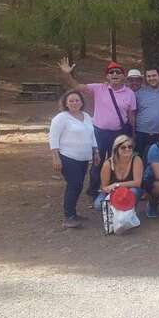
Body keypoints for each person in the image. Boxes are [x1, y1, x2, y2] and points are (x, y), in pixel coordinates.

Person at [58, 57, 136, 200]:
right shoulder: (99, 88)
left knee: (118, 161)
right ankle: (93, 190)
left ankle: (115, 188)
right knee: (97, 162)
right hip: (99, 132)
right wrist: (67, 74)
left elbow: (131, 116)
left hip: (119, 133)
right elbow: (77, 87)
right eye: (111, 72)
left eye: (118, 72)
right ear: (107, 76)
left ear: (123, 76)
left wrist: (132, 135)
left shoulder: (130, 93)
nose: (114, 75)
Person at [50, 90, 99, 228]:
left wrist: (96, 151)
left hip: (83, 158)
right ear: (65, 103)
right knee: (74, 185)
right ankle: (68, 217)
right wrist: (56, 158)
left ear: (82, 102)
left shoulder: (86, 116)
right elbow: (53, 139)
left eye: (77, 100)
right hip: (67, 157)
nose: (74, 103)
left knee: (78, 185)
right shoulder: (61, 118)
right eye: (71, 101)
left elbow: (92, 135)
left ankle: (73, 213)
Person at [93, 135, 144, 212]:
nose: (127, 149)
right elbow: (104, 187)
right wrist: (116, 194)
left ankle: (129, 212)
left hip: (130, 190)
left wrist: (117, 184)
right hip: (113, 192)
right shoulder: (108, 164)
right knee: (98, 205)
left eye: (130, 147)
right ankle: (115, 214)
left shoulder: (136, 159)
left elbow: (137, 183)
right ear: (116, 149)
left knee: (134, 192)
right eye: (123, 147)